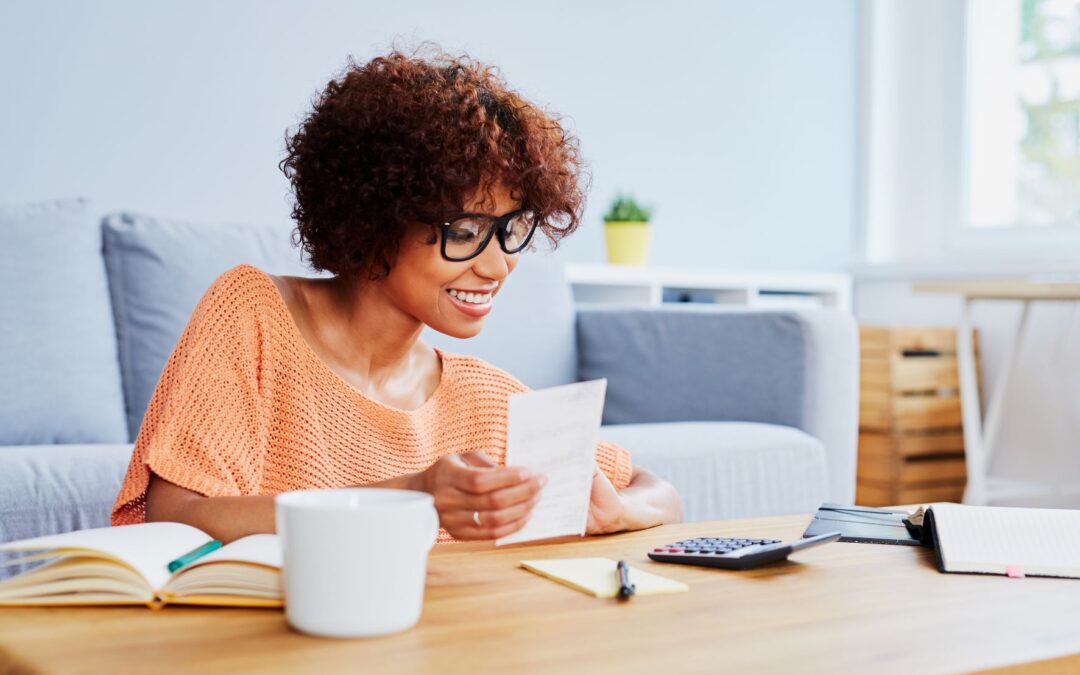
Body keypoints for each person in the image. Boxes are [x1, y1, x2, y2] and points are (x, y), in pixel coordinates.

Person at [110, 46, 682, 543]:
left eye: (511, 230)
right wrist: (415, 492)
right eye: (464, 233)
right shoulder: (253, 315)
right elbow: (177, 514)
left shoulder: (484, 399)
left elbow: (661, 493)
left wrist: (620, 510)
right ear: (375, 220)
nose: (498, 264)